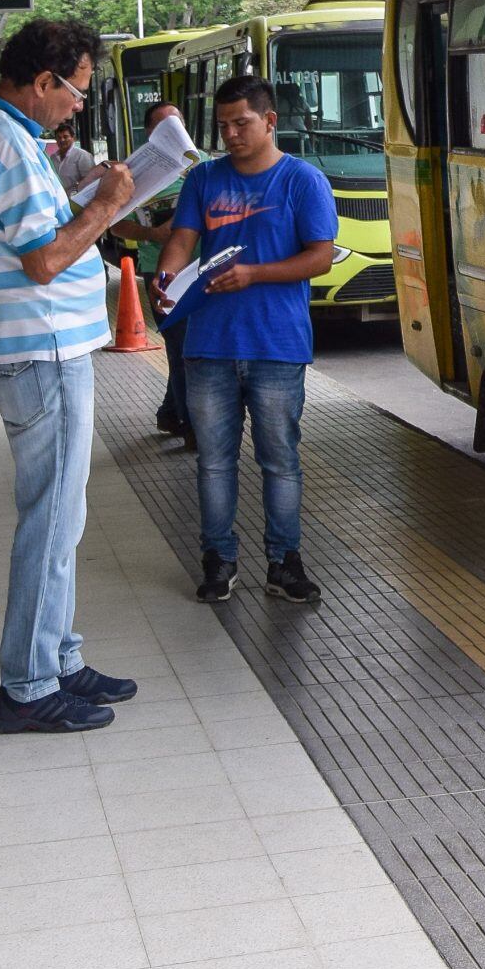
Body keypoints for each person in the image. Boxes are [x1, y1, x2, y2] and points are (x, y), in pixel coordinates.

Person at [0, 18, 137, 735]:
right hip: (42, 350)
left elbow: (30, 231)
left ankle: (57, 656)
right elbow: (44, 261)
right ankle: (28, 684)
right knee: (52, 521)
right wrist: (109, 205)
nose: (80, 106)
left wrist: (80, 195)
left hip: (29, 348)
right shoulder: (10, 145)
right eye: (76, 90)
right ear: (42, 81)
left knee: (63, 513)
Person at [157, 74, 334, 606]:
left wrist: (253, 274)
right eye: (223, 125)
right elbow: (182, 240)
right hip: (208, 344)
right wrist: (165, 280)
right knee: (213, 461)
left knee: (279, 460)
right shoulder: (204, 180)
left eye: (242, 123)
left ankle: (284, 562)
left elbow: (320, 256)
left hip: (277, 346)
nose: (231, 134)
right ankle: (218, 559)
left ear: (270, 121)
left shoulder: (302, 180)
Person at [105, 101, 192, 446]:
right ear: (151, 134)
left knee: (189, 349)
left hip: (203, 271)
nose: (173, 131)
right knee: (181, 347)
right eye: (163, 127)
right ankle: (188, 424)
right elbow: (113, 224)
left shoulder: (207, 166)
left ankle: (172, 412)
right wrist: (152, 234)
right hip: (162, 274)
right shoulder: (135, 173)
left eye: (178, 123)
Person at [50, 122, 97, 196]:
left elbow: (90, 180)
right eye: (59, 137)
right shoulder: (53, 158)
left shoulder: (82, 156)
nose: (62, 140)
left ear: (73, 138)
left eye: (65, 137)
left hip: (77, 199)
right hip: (59, 198)